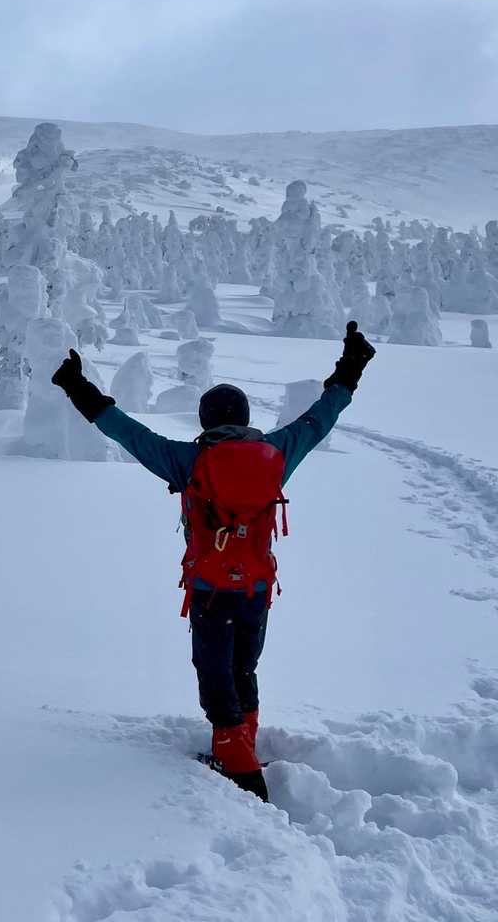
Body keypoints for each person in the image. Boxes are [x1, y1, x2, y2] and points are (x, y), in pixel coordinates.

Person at [50, 323, 377, 801]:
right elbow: (319, 419)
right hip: (257, 589)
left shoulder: (187, 462)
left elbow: (127, 432)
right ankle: (241, 744)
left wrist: (76, 385)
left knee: (214, 674)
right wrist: (351, 366)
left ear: (204, 422)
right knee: (243, 668)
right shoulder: (277, 453)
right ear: (245, 418)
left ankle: (242, 773)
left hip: (209, 589)